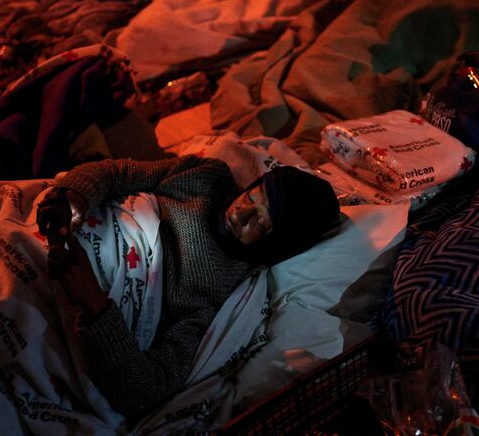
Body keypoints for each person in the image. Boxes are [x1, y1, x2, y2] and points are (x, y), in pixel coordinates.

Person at [37, 155, 339, 419]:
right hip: (82, 226)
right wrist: (74, 197)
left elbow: (144, 389)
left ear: (275, 247)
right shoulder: (208, 176)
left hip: (85, 288)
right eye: (251, 197)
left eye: (259, 222)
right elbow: (119, 172)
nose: (239, 213)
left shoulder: (220, 290)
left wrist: (94, 304)